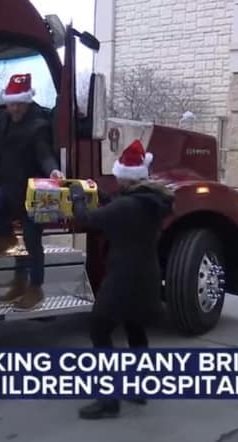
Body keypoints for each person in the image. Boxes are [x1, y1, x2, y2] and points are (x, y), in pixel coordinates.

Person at [67, 139, 175, 420]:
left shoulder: (128, 206)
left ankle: (108, 400)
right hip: (146, 275)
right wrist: (98, 191)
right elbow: (118, 206)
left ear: (127, 178)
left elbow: (87, 218)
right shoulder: (149, 202)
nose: (116, 180)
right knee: (134, 328)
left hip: (123, 278)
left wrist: (77, 196)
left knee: (99, 329)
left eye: (118, 177)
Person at [0, 73, 64, 312]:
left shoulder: (38, 126)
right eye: (11, 104)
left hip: (31, 194)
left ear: (27, 101)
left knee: (32, 242)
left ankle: (36, 288)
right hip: (8, 186)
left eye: (18, 104)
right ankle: (9, 243)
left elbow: (44, 154)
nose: (13, 109)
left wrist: (53, 170)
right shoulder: (5, 117)